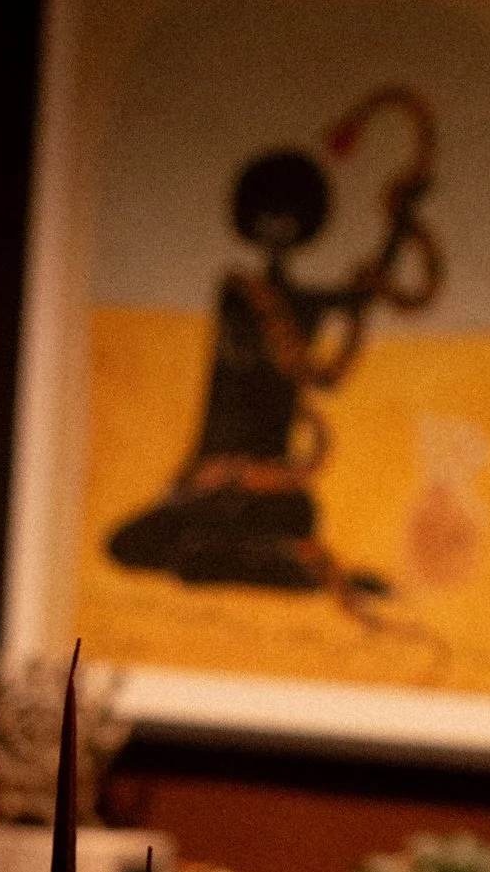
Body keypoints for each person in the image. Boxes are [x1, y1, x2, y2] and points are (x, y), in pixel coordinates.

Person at [107, 88, 442, 612]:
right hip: (212, 477)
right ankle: (253, 563)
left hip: (272, 485)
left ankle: (244, 563)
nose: (277, 228)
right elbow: (330, 312)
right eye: (267, 216)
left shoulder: (305, 304)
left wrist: (400, 226)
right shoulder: (240, 292)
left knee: (282, 523)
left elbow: (354, 307)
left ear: (305, 222)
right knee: (129, 545)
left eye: (287, 216)